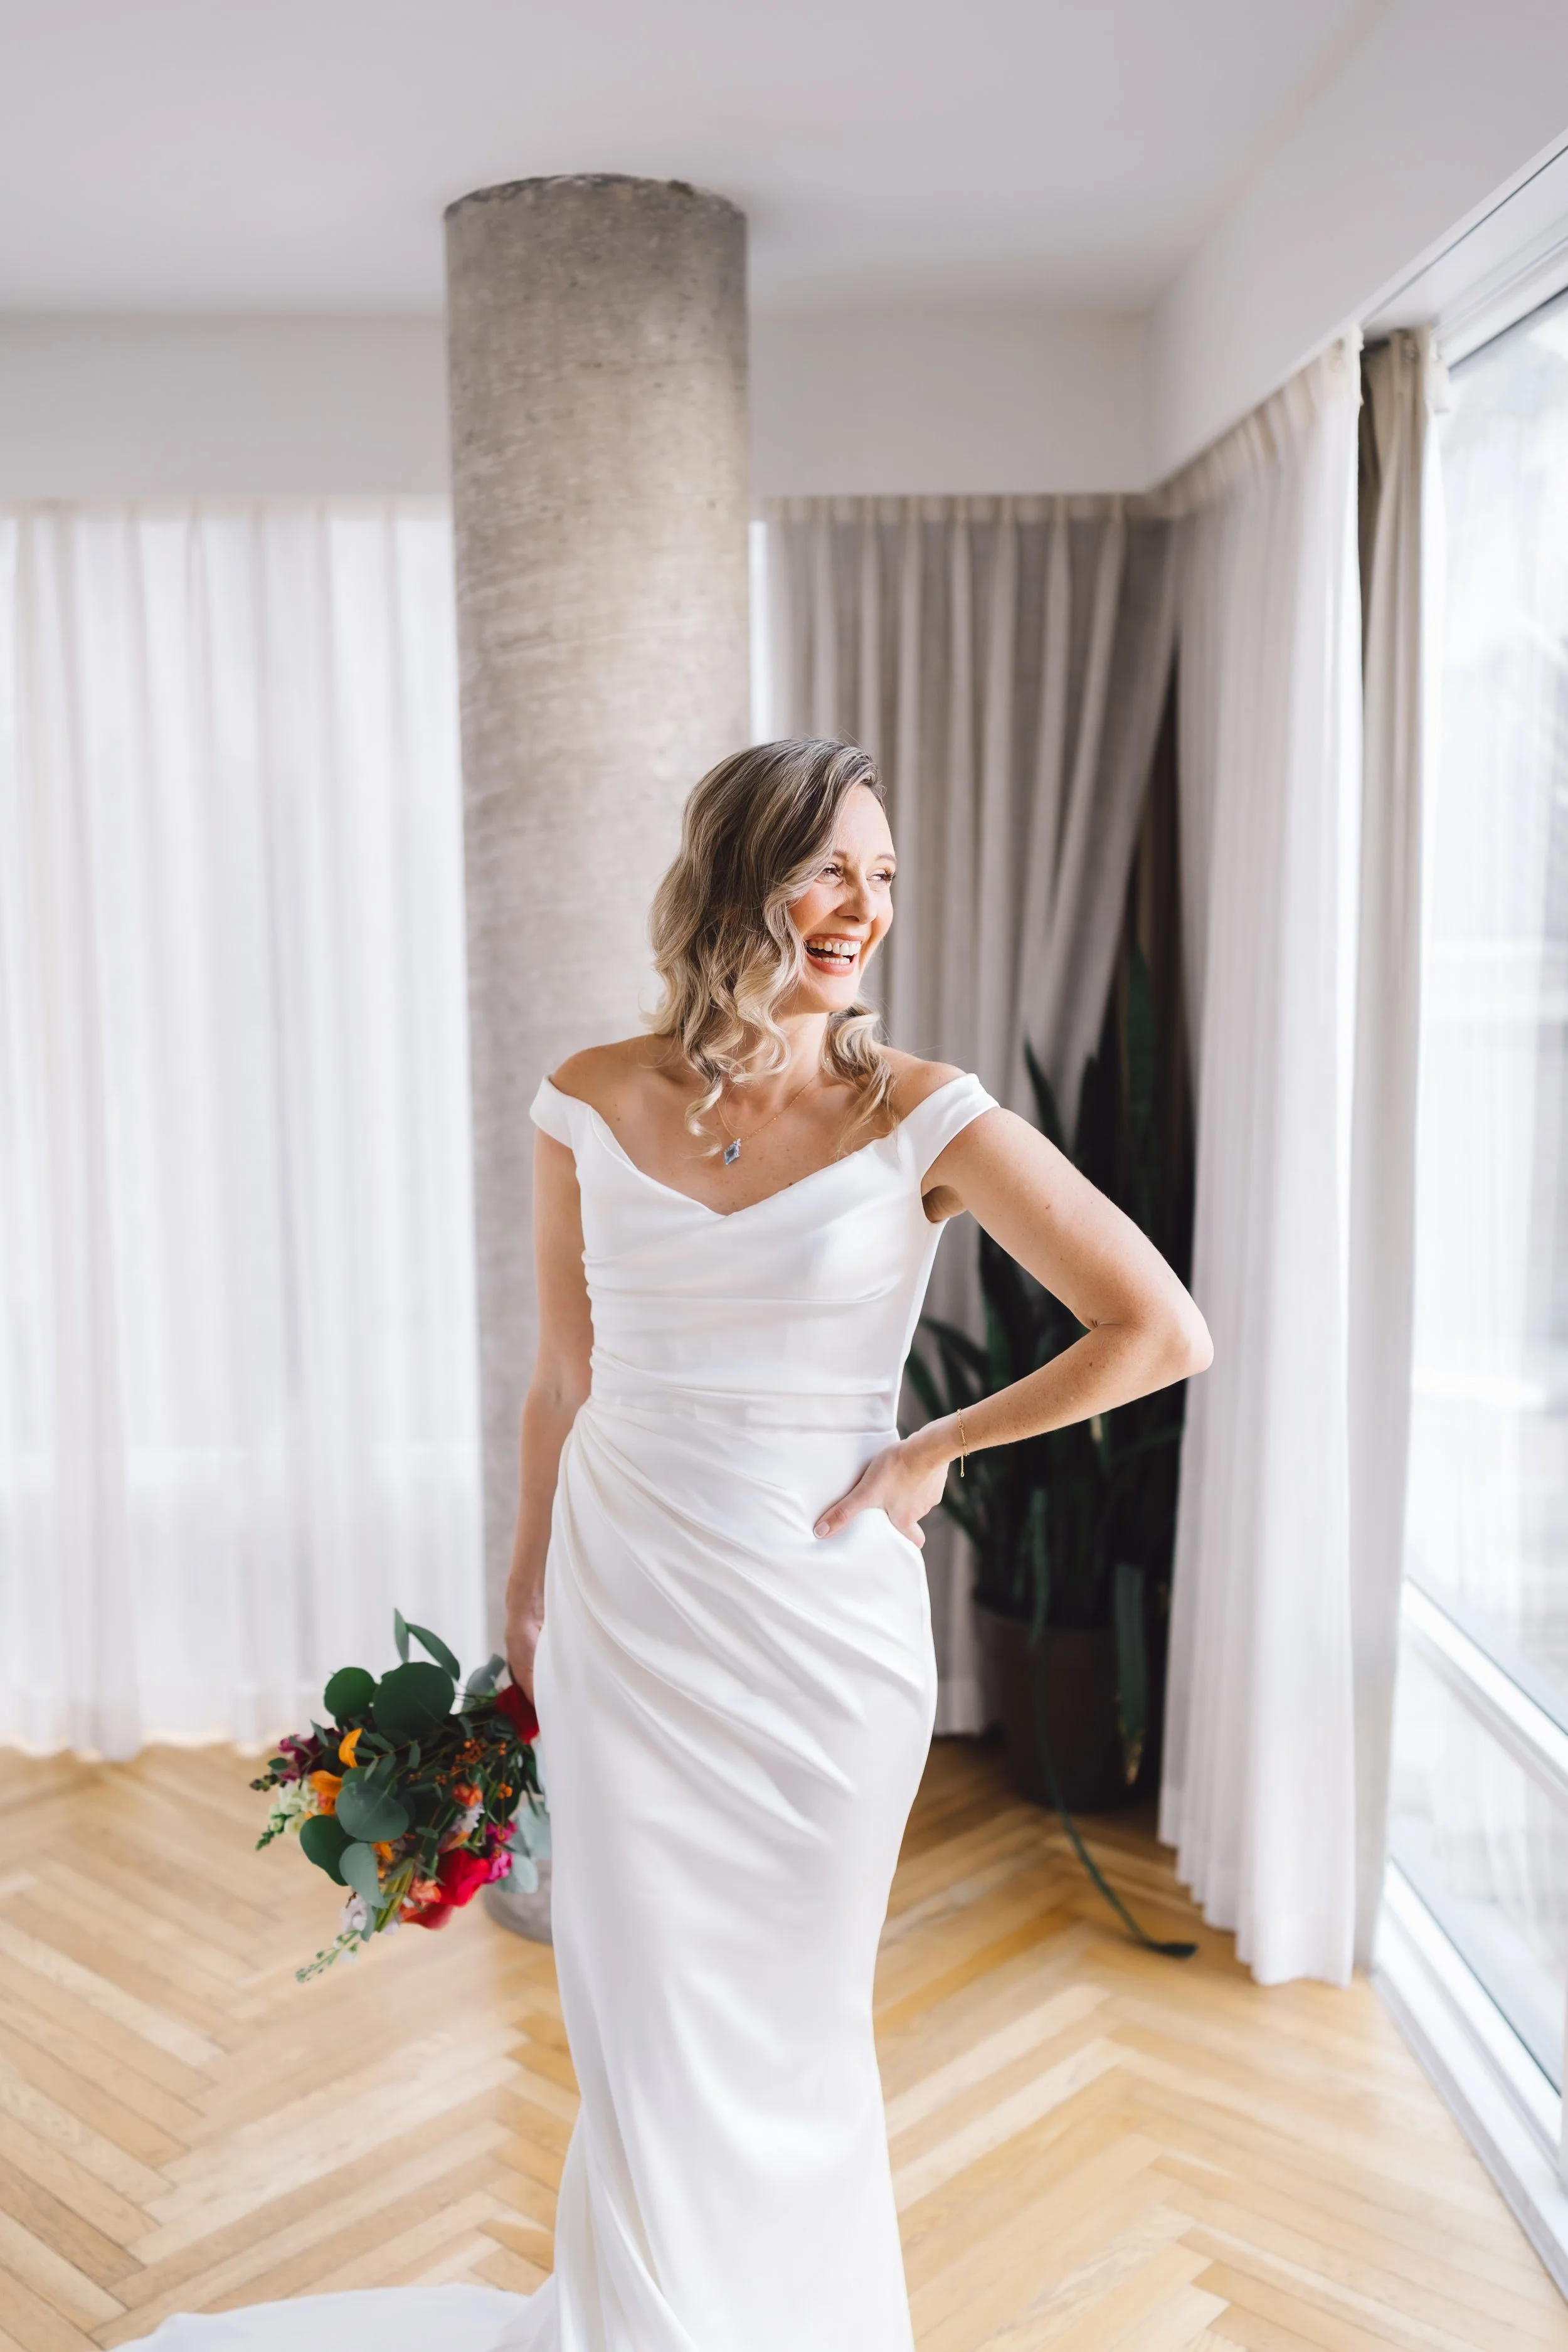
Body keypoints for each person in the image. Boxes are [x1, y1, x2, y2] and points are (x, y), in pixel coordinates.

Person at [140, 738, 1210, 2351]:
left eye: (885, 876)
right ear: (739, 879)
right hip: (624, 1608)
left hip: (817, 1636)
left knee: (790, 2022)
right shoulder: (586, 1095)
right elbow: (565, 1374)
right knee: (636, 2020)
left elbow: (1156, 1327)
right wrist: (522, 1586)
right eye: (829, 868)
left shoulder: (924, 1113)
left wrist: (930, 1451)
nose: (862, 907)